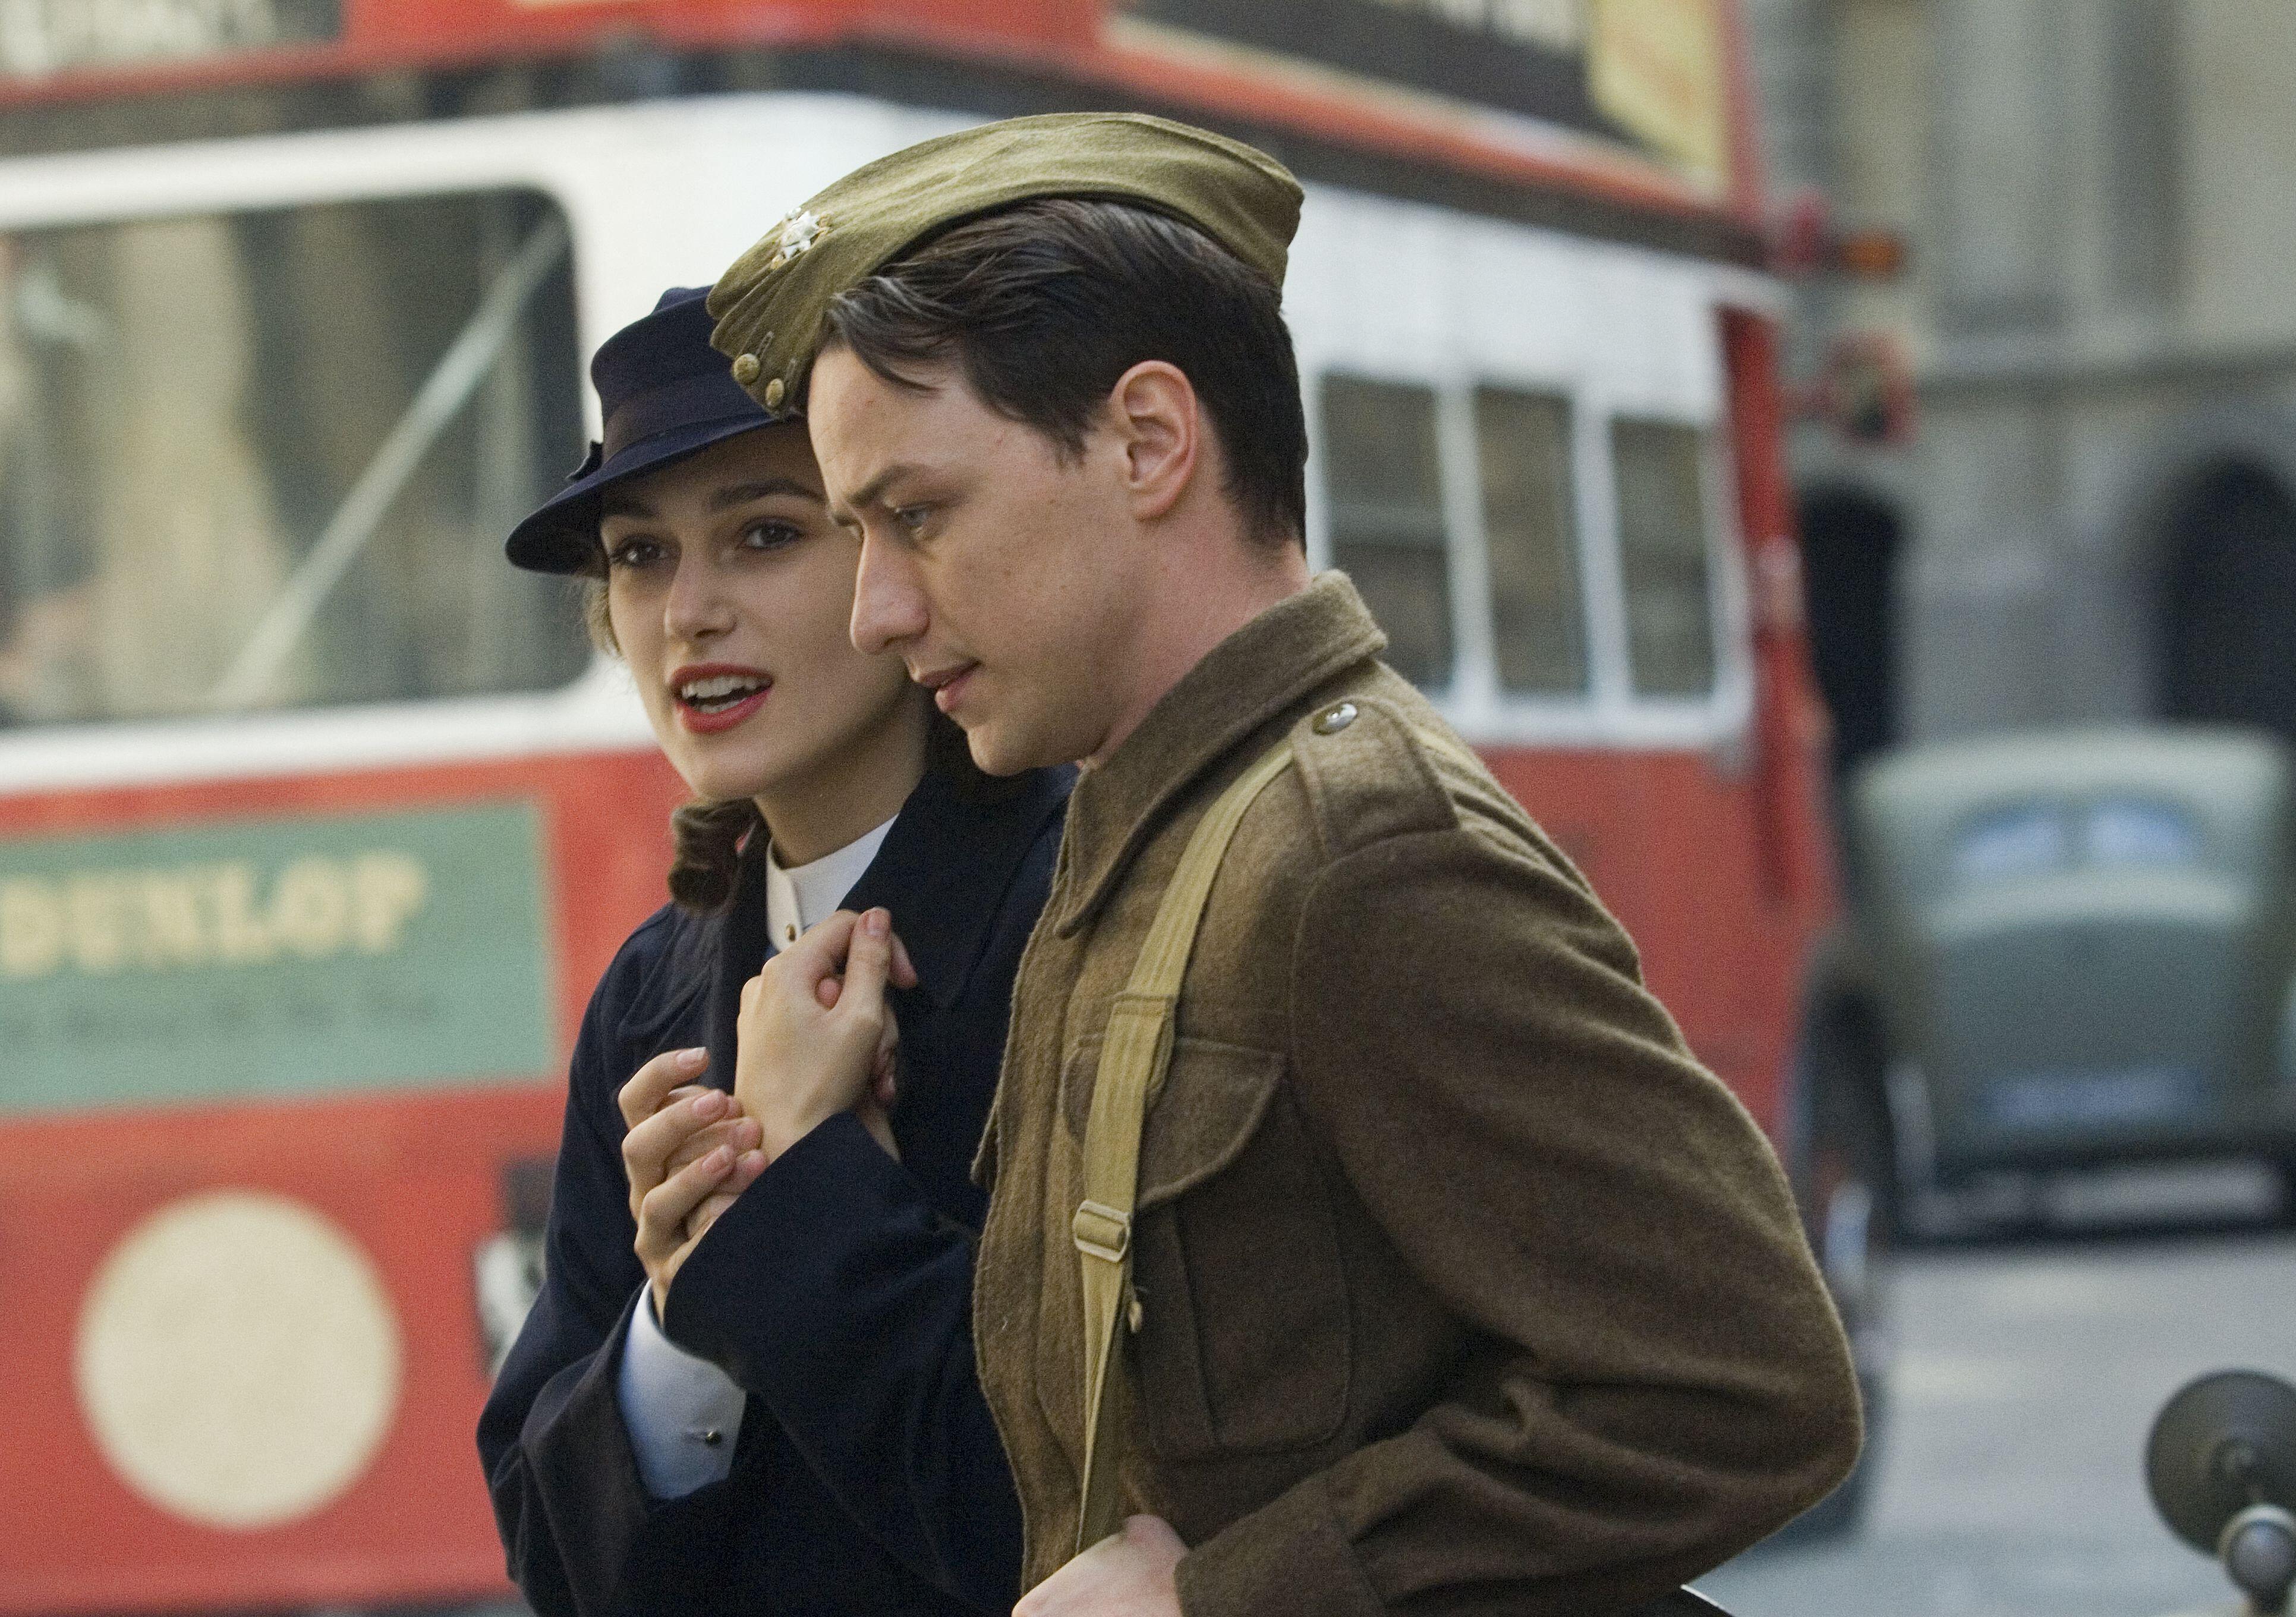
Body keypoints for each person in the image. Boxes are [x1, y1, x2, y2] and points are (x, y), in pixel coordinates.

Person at [701, 112, 1864, 1616]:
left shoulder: (1353, 851)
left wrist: (1229, 1600)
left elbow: (1740, 1386)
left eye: (917, 515)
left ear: (1147, 441)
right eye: (859, 531)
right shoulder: (1153, 828)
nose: (873, 611)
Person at [475, 286, 1067, 1616]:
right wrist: (686, 1327)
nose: (687, 612)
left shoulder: (1082, 912)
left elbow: (1067, 1497)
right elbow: (558, 1563)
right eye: (638, 555)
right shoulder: (654, 990)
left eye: (763, 533)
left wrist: (787, 1215)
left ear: (901, 553)